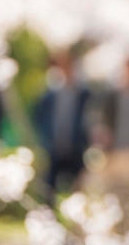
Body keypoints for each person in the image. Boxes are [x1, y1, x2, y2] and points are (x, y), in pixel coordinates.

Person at [33, 51, 91, 195]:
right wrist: (45, 141)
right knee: (49, 192)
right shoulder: (49, 96)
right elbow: (39, 118)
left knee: (77, 193)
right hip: (54, 150)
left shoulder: (83, 94)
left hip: (75, 150)